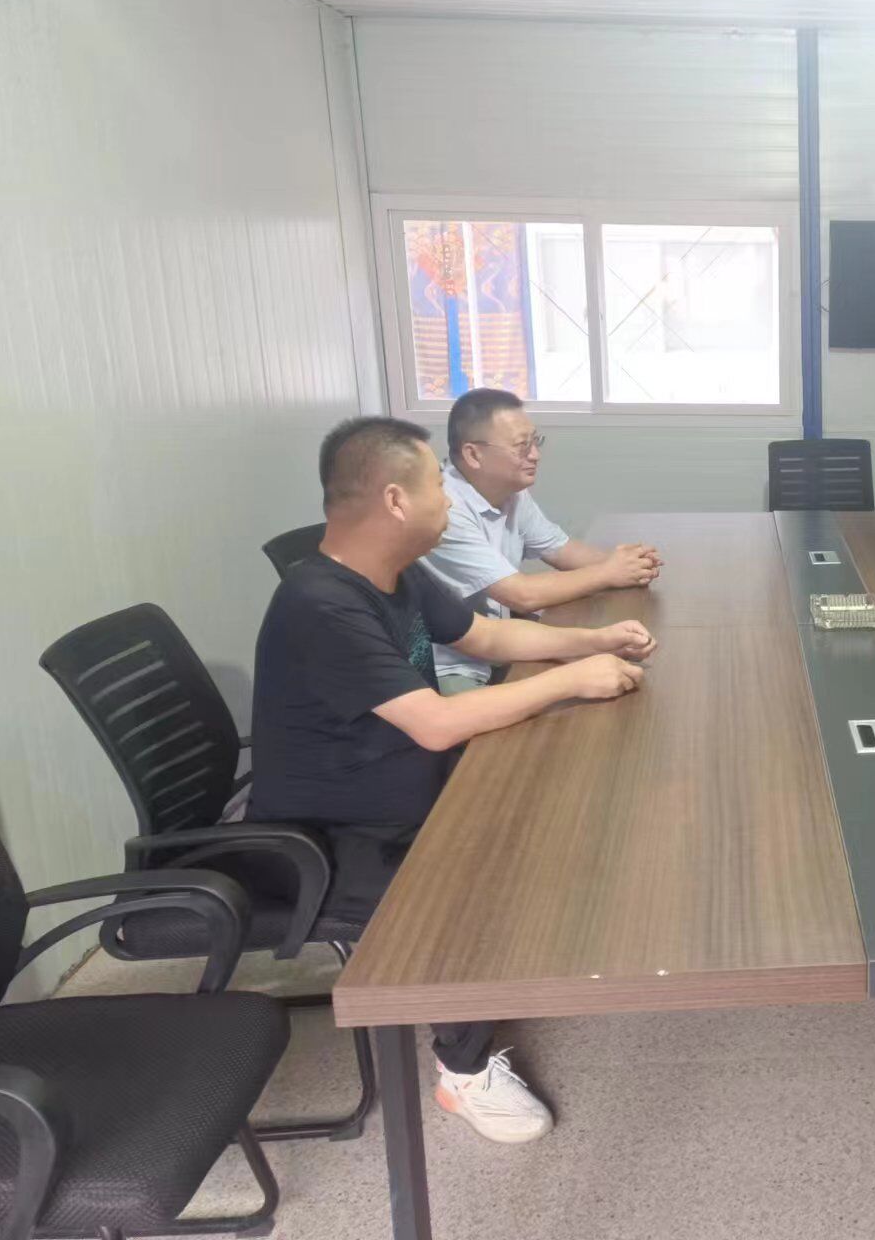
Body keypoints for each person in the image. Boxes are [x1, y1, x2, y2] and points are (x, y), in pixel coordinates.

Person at [250, 417, 656, 1145]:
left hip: (403, 781)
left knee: (561, 789)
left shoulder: (394, 572)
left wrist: (590, 641)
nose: (449, 499)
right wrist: (571, 679)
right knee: (471, 889)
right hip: (336, 835)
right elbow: (436, 724)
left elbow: (486, 635)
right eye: (438, 486)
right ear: (395, 500)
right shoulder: (321, 604)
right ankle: (462, 1073)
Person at [421, 388, 663, 693]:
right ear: (473, 454)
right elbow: (521, 595)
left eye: (535, 441)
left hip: (503, 644)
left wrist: (630, 564)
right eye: (522, 446)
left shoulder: (511, 491)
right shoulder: (446, 509)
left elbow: (561, 549)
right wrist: (609, 572)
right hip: (455, 665)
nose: (535, 455)